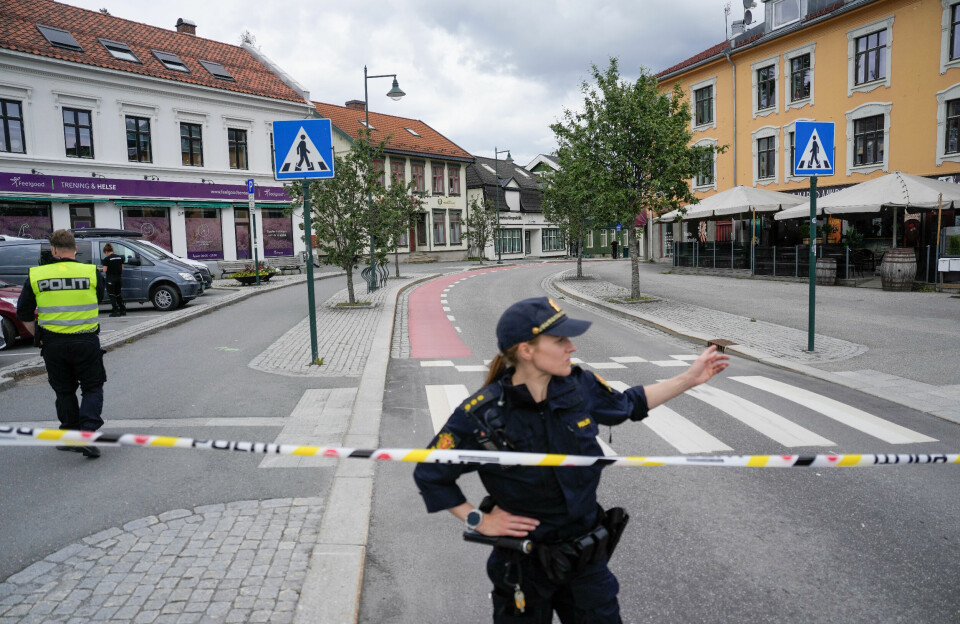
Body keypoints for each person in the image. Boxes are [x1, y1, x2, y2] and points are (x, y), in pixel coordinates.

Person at [413, 297, 729, 623]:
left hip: (584, 562)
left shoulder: (580, 387)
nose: (572, 347)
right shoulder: (482, 414)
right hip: (522, 566)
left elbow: (628, 404)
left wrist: (690, 378)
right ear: (526, 350)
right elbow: (430, 473)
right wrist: (478, 520)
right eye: (560, 340)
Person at [16, 229, 106, 459]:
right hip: (86, 339)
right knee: (92, 387)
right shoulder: (91, 272)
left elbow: (23, 312)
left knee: (64, 390)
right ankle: (88, 433)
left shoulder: (37, 275)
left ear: (53, 250)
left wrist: (38, 336)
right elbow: (99, 298)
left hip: (53, 342)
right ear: (75, 248)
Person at [100, 243, 125, 317]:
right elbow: (122, 268)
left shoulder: (107, 259)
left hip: (111, 279)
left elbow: (104, 270)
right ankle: (122, 310)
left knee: (112, 295)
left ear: (106, 252)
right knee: (118, 294)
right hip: (118, 278)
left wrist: (99, 269)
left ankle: (115, 311)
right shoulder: (120, 258)